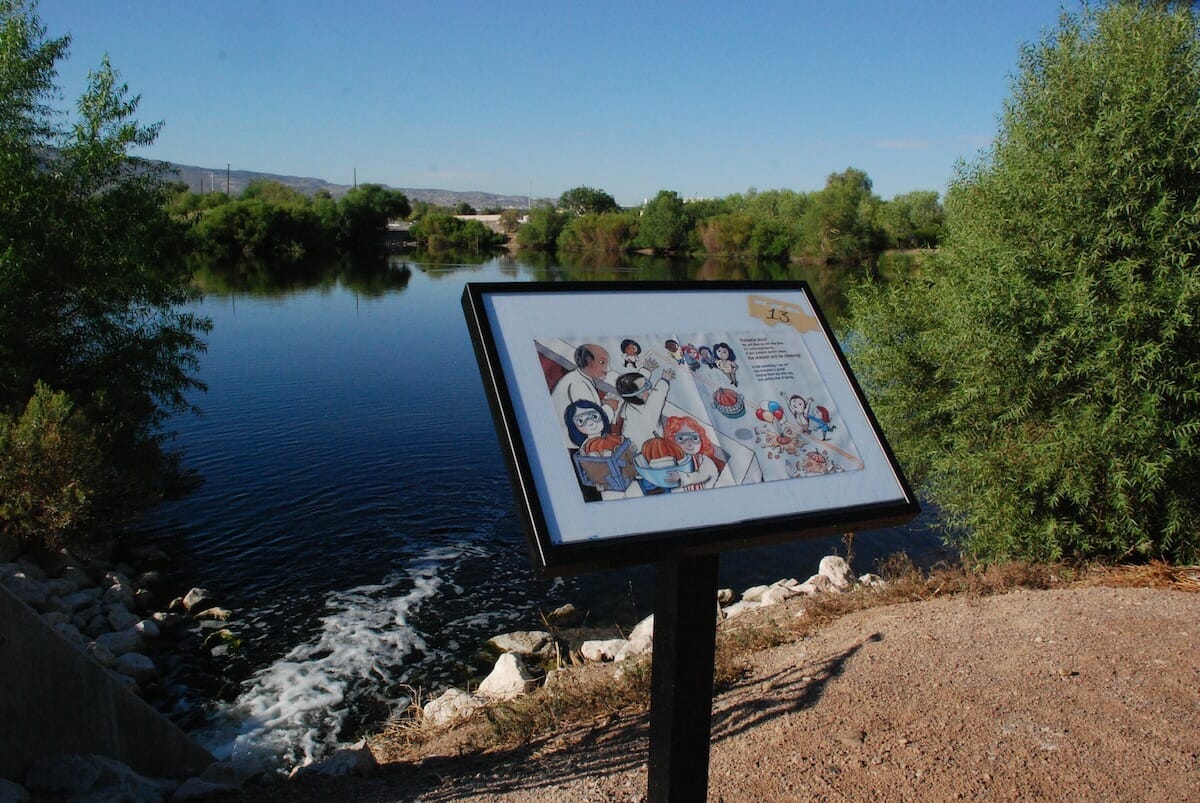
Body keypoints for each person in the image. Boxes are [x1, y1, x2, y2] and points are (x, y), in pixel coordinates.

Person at [550, 343, 617, 448]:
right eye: (602, 362)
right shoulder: (578, 384)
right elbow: (591, 423)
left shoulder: (578, 378)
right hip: (574, 446)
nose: (608, 369)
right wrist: (610, 408)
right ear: (588, 361)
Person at [614, 357, 674, 452]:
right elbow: (658, 396)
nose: (650, 388)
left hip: (630, 445)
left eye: (648, 383)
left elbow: (635, 384)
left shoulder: (629, 403)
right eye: (647, 387)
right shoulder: (647, 409)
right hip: (649, 448)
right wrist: (664, 380)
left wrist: (646, 370)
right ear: (638, 396)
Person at [663, 415, 721, 491]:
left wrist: (681, 477)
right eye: (681, 438)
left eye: (694, 438)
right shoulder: (677, 461)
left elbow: (701, 476)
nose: (689, 443)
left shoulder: (704, 460)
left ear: (702, 439)